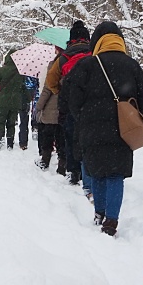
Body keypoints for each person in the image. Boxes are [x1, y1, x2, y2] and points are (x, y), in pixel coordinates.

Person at [67, 21, 143, 236]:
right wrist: (130, 114)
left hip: (91, 127)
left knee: (97, 172)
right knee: (115, 174)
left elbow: (72, 97)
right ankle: (111, 219)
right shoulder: (132, 65)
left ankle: (99, 213)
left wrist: (83, 117)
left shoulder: (87, 65)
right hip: (122, 128)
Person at [57, 21, 93, 189]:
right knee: (89, 137)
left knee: (71, 137)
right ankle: (89, 170)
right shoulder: (95, 54)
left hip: (71, 101)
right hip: (91, 103)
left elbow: (52, 81)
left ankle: (73, 171)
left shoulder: (64, 57)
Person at [0, 50, 23, 149]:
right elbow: (23, 87)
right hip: (15, 101)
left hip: (3, 100)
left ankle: (1, 138)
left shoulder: (2, 70)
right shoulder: (20, 71)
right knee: (11, 123)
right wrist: (28, 99)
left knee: (0, 121)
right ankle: (10, 143)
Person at [18, 74, 37, 150]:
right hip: (35, 99)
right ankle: (35, 127)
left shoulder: (22, 74)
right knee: (35, 117)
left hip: (24, 100)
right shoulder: (37, 73)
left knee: (23, 121)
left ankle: (23, 142)